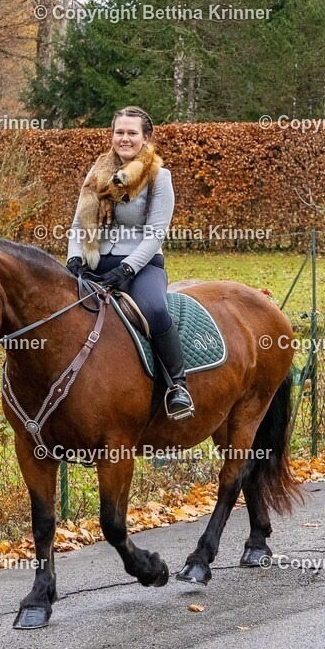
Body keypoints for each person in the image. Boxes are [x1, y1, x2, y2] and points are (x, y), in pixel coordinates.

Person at [65, 106, 194, 420]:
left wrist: (126, 269)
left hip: (142, 264)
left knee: (155, 309)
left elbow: (154, 235)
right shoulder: (97, 173)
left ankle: (177, 385)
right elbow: (78, 224)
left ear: (145, 137)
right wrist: (72, 259)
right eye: (119, 132)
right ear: (112, 135)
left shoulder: (159, 177)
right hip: (94, 260)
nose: (125, 138)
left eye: (132, 133)